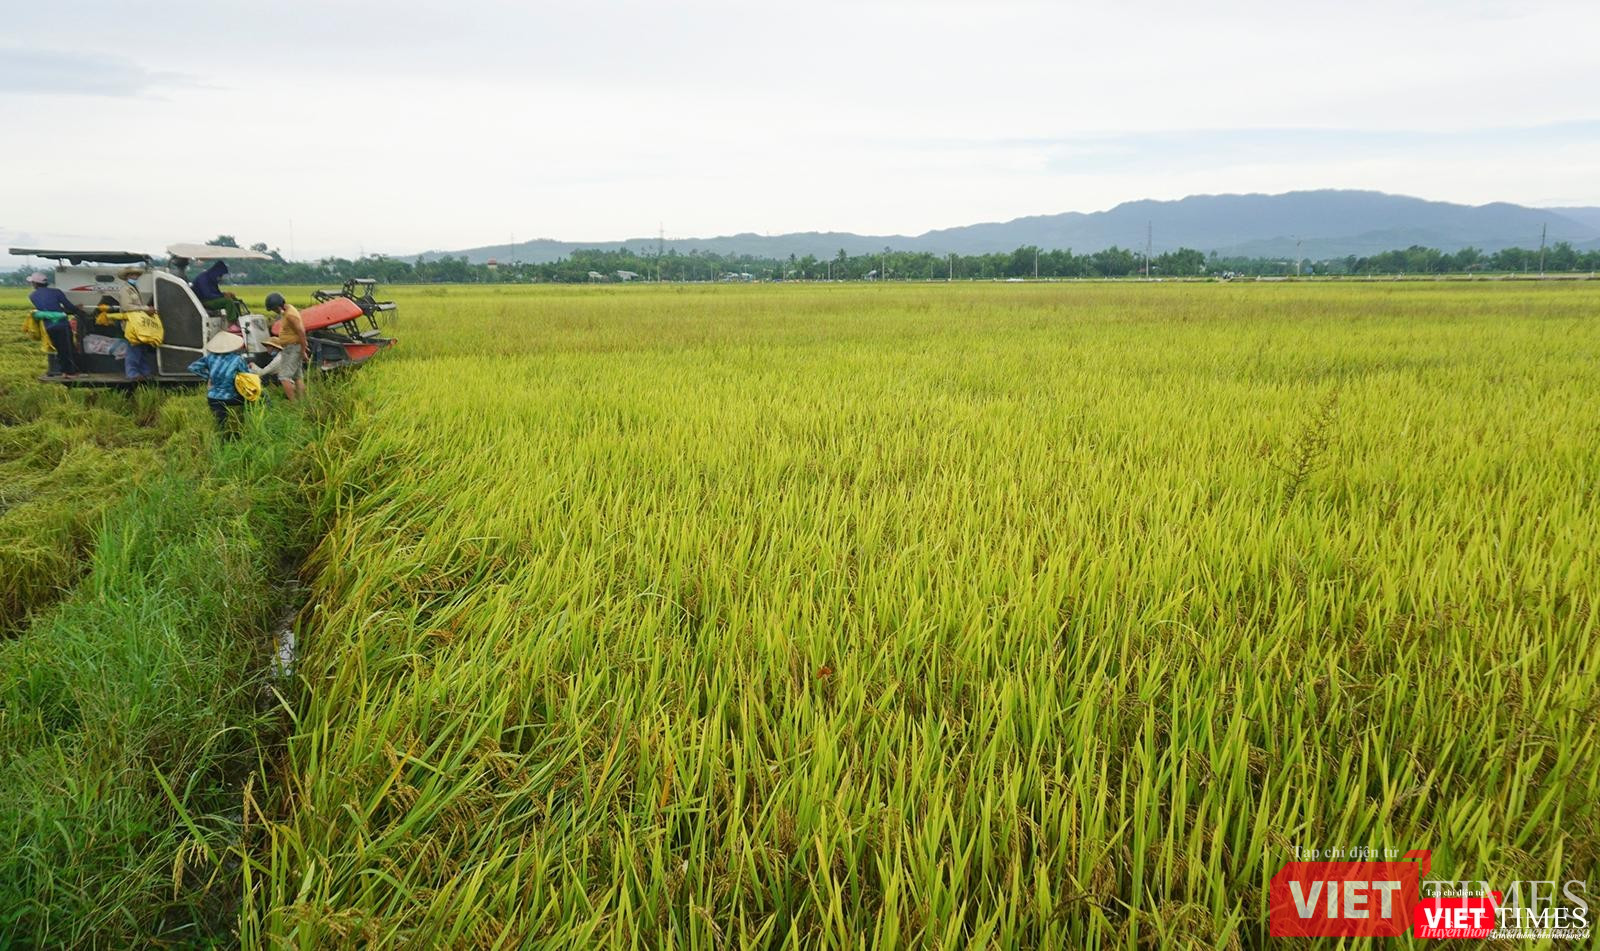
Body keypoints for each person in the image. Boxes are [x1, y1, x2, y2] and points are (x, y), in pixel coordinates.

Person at [188, 331, 250, 437]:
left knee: (220, 423)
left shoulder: (210, 358)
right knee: (254, 399)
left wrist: (208, 376)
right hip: (232, 397)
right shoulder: (237, 359)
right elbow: (246, 376)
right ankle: (245, 425)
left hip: (213, 397)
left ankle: (221, 439)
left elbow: (193, 367)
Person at [27, 271, 84, 378]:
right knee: (68, 348)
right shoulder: (56, 292)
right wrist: (77, 309)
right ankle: (69, 373)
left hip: (48, 325)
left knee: (60, 348)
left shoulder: (32, 296)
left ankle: (66, 371)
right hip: (62, 324)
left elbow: (48, 309)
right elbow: (69, 307)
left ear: (35, 284)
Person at [259, 291, 308, 400]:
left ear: (279, 305)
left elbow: (301, 332)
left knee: (284, 377)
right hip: (293, 346)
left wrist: (303, 350)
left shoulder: (290, 315)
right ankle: (302, 401)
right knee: (297, 376)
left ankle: (293, 403)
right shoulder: (287, 310)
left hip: (292, 348)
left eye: (274, 308)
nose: (274, 311)